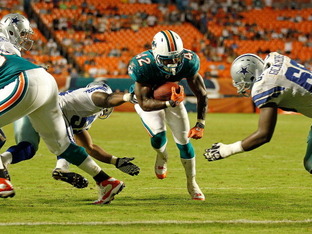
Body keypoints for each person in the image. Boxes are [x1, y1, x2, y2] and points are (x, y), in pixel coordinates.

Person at [0, 13, 124, 204]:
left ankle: (2, 180)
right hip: (44, 80)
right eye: (23, 34)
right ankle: (106, 180)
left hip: (24, 81)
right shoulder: (8, 47)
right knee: (62, 145)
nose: (26, 39)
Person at [204, 52, 312, 186]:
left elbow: (264, 135)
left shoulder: (264, 86)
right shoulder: (275, 58)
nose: (242, 87)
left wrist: (227, 150)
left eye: (242, 83)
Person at [0, 81, 140, 189]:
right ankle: (62, 168)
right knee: (65, 141)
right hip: (49, 110)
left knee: (28, 147)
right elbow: (105, 98)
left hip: (31, 109)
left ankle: (3, 160)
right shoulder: (94, 95)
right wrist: (128, 96)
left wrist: (115, 161)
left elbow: (88, 147)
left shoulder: (83, 111)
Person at [128, 30, 208, 200]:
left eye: (176, 58)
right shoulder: (142, 65)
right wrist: (168, 103)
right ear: (156, 55)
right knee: (158, 137)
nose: (173, 63)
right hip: (148, 99)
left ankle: (192, 182)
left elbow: (202, 93)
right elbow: (145, 103)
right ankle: (162, 156)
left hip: (172, 98)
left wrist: (200, 123)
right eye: (167, 60)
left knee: (184, 142)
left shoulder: (189, 60)